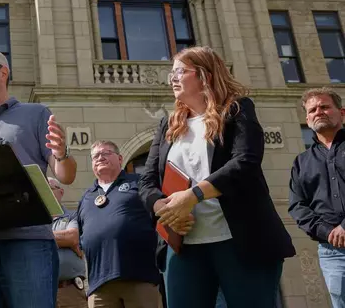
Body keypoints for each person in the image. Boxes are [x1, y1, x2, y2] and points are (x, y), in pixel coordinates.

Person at [138, 46, 295, 308]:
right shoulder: (168, 125)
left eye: (180, 71)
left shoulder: (238, 109)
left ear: (204, 75)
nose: (172, 78)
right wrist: (163, 208)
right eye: (172, 73)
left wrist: (193, 195)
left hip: (239, 242)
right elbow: (147, 182)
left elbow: (245, 162)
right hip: (184, 247)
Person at [0, 48, 77, 308]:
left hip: (27, 241)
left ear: (3, 73)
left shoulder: (36, 114)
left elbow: (65, 176)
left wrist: (61, 152)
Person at [77, 140, 160, 307]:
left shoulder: (139, 183)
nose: (100, 158)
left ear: (120, 158)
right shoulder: (86, 197)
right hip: (99, 284)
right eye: (95, 156)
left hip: (139, 277)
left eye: (106, 153)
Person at [289, 87, 345, 308]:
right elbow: (297, 206)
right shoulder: (302, 161)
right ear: (307, 118)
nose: (318, 112)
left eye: (324, 107)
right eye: (312, 110)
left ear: (341, 113)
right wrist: (328, 231)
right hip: (332, 252)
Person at [48, 178, 87, 308]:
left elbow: (72, 237)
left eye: (50, 188)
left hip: (69, 290)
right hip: (41, 290)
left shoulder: (73, 216)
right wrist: (61, 239)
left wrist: (37, 238)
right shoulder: (32, 220)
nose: (46, 192)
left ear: (61, 192)